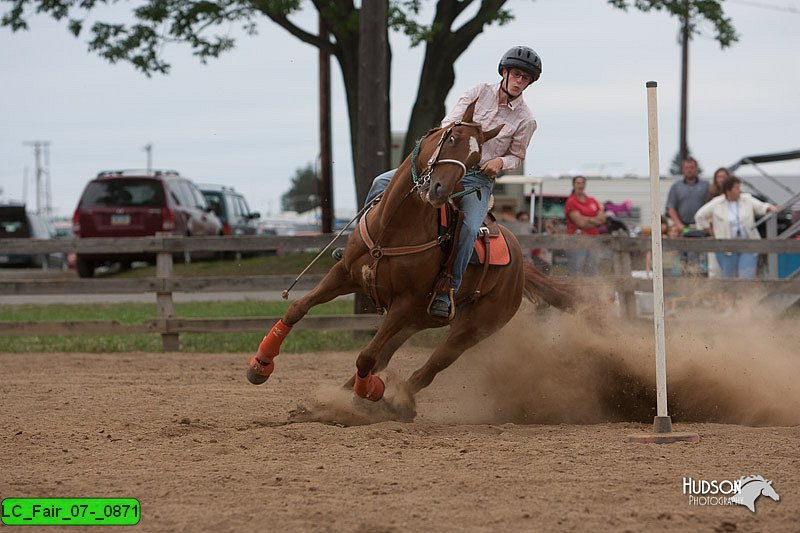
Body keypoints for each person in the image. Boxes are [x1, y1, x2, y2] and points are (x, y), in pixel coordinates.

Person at [335, 45, 541, 319]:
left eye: (525, 78)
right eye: (516, 74)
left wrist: (500, 163)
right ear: (504, 72)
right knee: (380, 183)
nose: (519, 81)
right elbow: (449, 123)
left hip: (477, 178)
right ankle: (359, 244)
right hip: (446, 165)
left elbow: (517, 155)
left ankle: (447, 288)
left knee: (468, 228)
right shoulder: (478, 93)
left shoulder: (525, 119)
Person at [694, 175, 777, 280]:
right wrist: (710, 231)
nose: (739, 190)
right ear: (728, 190)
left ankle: (747, 296)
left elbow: (762, 207)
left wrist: (770, 208)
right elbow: (699, 216)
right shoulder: (717, 202)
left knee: (746, 276)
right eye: (736, 188)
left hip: (748, 244)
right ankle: (730, 296)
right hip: (725, 247)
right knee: (729, 278)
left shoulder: (747, 199)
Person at [564, 175, 606, 275]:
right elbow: (580, 223)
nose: (581, 185)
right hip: (576, 240)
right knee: (576, 270)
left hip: (593, 239)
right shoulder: (571, 201)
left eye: (582, 183)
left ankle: (589, 291)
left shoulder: (591, 200)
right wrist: (595, 219)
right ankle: (575, 291)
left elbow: (603, 219)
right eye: (578, 183)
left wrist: (586, 218)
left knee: (592, 271)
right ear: (573, 185)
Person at [665, 157, 710, 233]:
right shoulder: (676, 187)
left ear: (696, 169)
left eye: (692, 167)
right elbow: (671, 208)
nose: (689, 170)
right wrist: (679, 225)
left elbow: (710, 205)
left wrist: (707, 224)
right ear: (683, 169)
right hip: (683, 227)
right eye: (686, 168)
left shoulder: (706, 186)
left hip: (701, 227)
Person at [705, 167, 731, 278]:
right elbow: (704, 215)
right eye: (719, 177)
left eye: (724, 177)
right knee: (714, 267)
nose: (721, 180)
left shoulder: (734, 195)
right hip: (715, 232)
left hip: (730, 234)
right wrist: (710, 230)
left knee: (729, 266)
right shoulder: (711, 196)